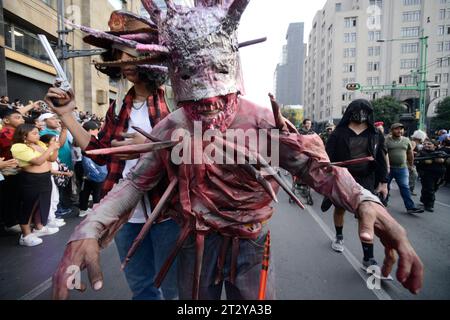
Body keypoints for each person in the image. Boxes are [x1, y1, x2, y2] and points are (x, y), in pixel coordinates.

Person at [51, 1, 423, 300]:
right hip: (193, 248)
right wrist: (88, 229)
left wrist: (364, 200)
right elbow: (133, 185)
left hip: (251, 244)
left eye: (217, 88)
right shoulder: (174, 125)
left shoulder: (259, 121)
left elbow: (315, 170)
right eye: (196, 97)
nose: (209, 103)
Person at [45, 11, 179, 300]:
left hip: (168, 213)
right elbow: (99, 152)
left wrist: (154, 143)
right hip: (124, 217)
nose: (126, 62)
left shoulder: (176, 102)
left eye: (133, 53)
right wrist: (67, 115)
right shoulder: (120, 105)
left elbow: (197, 155)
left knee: (174, 288)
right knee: (142, 287)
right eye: (120, 54)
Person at [325, 99, 389, 271]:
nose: (361, 113)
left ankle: (368, 257)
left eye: (365, 110)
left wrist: (383, 182)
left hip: (366, 179)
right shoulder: (339, 133)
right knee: (339, 209)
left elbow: (381, 159)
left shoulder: (375, 134)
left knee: (365, 215)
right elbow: (326, 156)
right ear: (350, 111)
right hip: (343, 177)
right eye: (357, 109)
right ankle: (339, 236)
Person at [11, 124, 60, 246]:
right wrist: (50, 148)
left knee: (41, 204)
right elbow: (38, 161)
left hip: (45, 177)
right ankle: (25, 235)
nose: (38, 135)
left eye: (38, 132)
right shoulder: (18, 147)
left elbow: (52, 159)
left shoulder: (40, 144)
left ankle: (39, 228)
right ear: (24, 136)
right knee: (29, 206)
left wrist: (56, 147)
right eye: (34, 133)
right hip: (31, 180)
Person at [39, 113, 73, 217]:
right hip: (55, 165)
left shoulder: (57, 131)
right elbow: (59, 145)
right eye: (52, 118)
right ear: (44, 121)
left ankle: (64, 206)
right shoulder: (44, 133)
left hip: (65, 164)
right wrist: (64, 129)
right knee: (58, 190)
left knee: (64, 188)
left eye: (55, 118)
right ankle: (58, 211)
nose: (56, 120)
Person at [386, 123, 424, 214]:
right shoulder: (386, 140)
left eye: (401, 129)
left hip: (402, 168)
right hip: (388, 168)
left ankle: (410, 207)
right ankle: (383, 204)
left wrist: (411, 165)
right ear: (392, 130)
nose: (400, 131)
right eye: (397, 129)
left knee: (405, 187)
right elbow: (383, 153)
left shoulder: (406, 140)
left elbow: (410, 153)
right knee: (385, 187)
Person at [0, 109, 25, 233]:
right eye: (17, 117)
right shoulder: (4, 133)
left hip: (17, 168)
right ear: (6, 120)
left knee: (16, 196)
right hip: (8, 169)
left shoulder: (16, 132)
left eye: (21, 117)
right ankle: (10, 223)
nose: (22, 120)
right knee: (10, 197)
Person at [78, 121, 106, 218]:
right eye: (96, 129)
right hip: (93, 168)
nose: (98, 131)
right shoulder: (88, 140)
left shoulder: (80, 138)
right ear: (90, 130)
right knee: (96, 190)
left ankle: (83, 209)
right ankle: (96, 210)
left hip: (87, 168)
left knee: (86, 189)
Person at [40, 134, 67, 228]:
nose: (57, 142)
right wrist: (65, 173)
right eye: (53, 140)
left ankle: (53, 217)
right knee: (50, 200)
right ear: (46, 144)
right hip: (48, 177)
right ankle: (49, 220)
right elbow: (49, 168)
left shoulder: (52, 152)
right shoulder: (45, 152)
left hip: (52, 179)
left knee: (55, 198)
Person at [416, 139, 447, 212]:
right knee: (430, 189)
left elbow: (446, 160)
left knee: (433, 188)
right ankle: (429, 205)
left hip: (439, 175)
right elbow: (417, 161)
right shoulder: (422, 153)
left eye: (429, 144)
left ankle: (424, 200)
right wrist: (424, 161)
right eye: (425, 144)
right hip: (427, 174)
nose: (426, 145)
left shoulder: (441, 152)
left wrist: (443, 160)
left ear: (435, 146)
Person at [409, 130, 428, 196]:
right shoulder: (413, 143)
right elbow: (409, 151)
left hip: (411, 162)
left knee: (412, 175)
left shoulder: (415, 143)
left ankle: (409, 189)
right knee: (414, 175)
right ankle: (409, 189)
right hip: (410, 162)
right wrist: (415, 153)